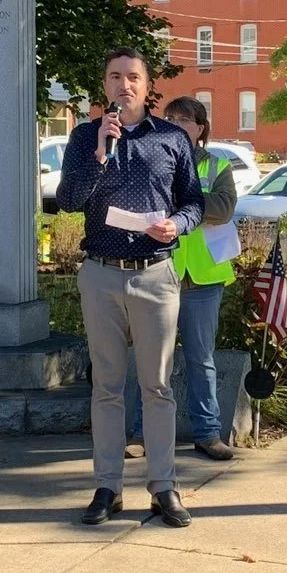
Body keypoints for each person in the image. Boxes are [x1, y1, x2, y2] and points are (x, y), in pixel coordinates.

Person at [54, 48, 204, 528]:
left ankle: (163, 488)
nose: (125, 85)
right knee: (106, 386)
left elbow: (194, 202)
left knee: (157, 385)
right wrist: (100, 155)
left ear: (147, 84)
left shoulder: (172, 138)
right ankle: (108, 486)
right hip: (101, 273)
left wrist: (177, 224)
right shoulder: (84, 137)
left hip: (156, 273)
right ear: (105, 85)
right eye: (115, 76)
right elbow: (68, 199)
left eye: (133, 77)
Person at [160, 96, 239, 461]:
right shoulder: (152, 158)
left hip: (203, 277)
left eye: (185, 119)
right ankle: (142, 434)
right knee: (152, 358)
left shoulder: (218, 164)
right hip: (158, 271)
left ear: (200, 127)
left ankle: (207, 433)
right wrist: (196, 203)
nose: (177, 124)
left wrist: (182, 202)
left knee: (200, 358)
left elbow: (222, 210)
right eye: (170, 118)